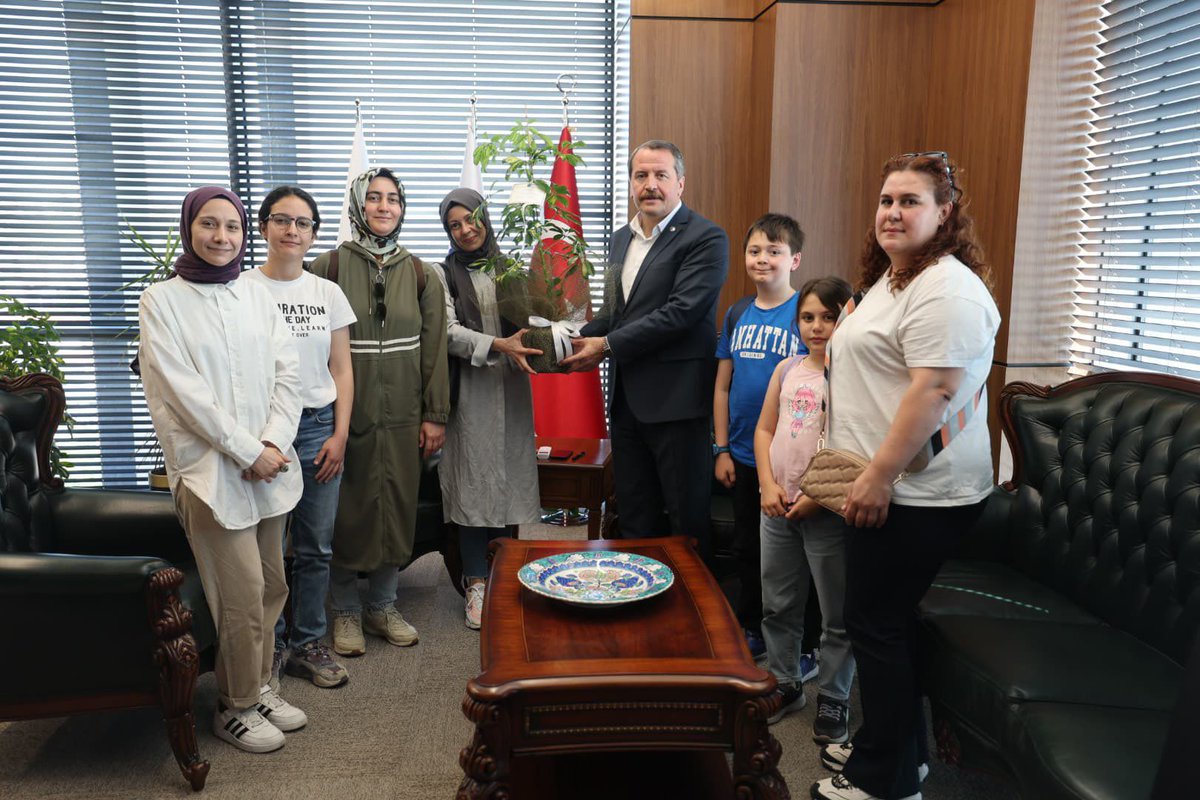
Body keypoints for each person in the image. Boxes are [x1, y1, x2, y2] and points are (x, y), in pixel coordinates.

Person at [812, 152, 1000, 800]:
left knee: (876, 625)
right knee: (885, 623)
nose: (893, 211)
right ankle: (901, 754)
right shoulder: (894, 279)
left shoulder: (947, 288)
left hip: (914, 492)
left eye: (910, 201)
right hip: (878, 482)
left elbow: (934, 391)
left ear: (945, 214)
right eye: (886, 199)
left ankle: (882, 781)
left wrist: (877, 479)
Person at [139, 186, 307, 753]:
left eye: (231, 227)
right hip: (211, 472)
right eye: (209, 225)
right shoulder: (162, 300)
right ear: (189, 228)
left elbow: (289, 374)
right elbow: (184, 396)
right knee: (240, 593)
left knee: (273, 584)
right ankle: (233, 707)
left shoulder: (257, 295)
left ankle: (259, 685)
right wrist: (245, 449)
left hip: (268, 465)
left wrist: (272, 442)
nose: (221, 237)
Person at [561, 139, 728, 555]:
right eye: (641, 176)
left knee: (684, 521)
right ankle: (639, 609)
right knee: (635, 516)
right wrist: (566, 335)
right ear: (631, 183)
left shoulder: (706, 238)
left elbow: (680, 313)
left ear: (680, 183)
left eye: (660, 175)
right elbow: (616, 313)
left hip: (677, 404)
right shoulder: (621, 239)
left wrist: (606, 344)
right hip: (626, 404)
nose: (650, 185)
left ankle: (692, 615)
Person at [309, 167, 450, 657]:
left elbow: (435, 348)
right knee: (347, 510)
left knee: (397, 505)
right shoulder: (325, 268)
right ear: (356, 205)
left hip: (405, 415)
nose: (384, 206)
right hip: (344, 414)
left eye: (392, 198)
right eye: (373, 198)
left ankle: (383, 604)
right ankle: (346, 609)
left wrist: (435, 414)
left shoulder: (421, 272)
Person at [243, 186, 355, 688]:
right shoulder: (241, 290)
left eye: (303, 223)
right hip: (264, 433)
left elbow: (343, 369)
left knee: (316, 547)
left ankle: (309, 641)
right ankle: (268, 646)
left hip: (318, 430)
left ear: (313, 232)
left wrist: (340, 434)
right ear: (264, 226)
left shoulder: (326, 292)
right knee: (267, 548)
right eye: (282, 220)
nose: (292, 231)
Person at [432, 188, 541, 629]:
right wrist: (496, 344)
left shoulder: (511, 266)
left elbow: (535, 320)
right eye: (454, 224)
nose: (465, 229)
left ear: (485, 217)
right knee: (473, 485)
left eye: (471, 219)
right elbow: (447, 331)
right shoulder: (440, 273)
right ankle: (476, 582)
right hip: (470, 388)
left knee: (510, 482)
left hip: (513, 388)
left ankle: (507, 573)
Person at [754, 276, 857, 745]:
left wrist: (816, 498)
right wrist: (767, 485)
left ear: (849, 316)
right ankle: (786, 683)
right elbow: (764, 431)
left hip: (826, 509)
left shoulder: (855, 377)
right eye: (809, 317)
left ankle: (834, 696)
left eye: (829, 316)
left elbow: (855, 449)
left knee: (836, 613)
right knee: (778, 603)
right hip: (776, 506)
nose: (818, 327)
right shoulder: (787, 369)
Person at [714, 213, 806, 661]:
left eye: (774, 251)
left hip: (794, 462)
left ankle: (802, 643)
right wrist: (721, 449)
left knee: (797, 557)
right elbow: (722, 387)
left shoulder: (807, 314)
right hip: (747, 458)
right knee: (748, 548)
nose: (763, 259)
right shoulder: (736, 313)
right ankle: (751, 626)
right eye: (754, 251)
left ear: (795, 259)